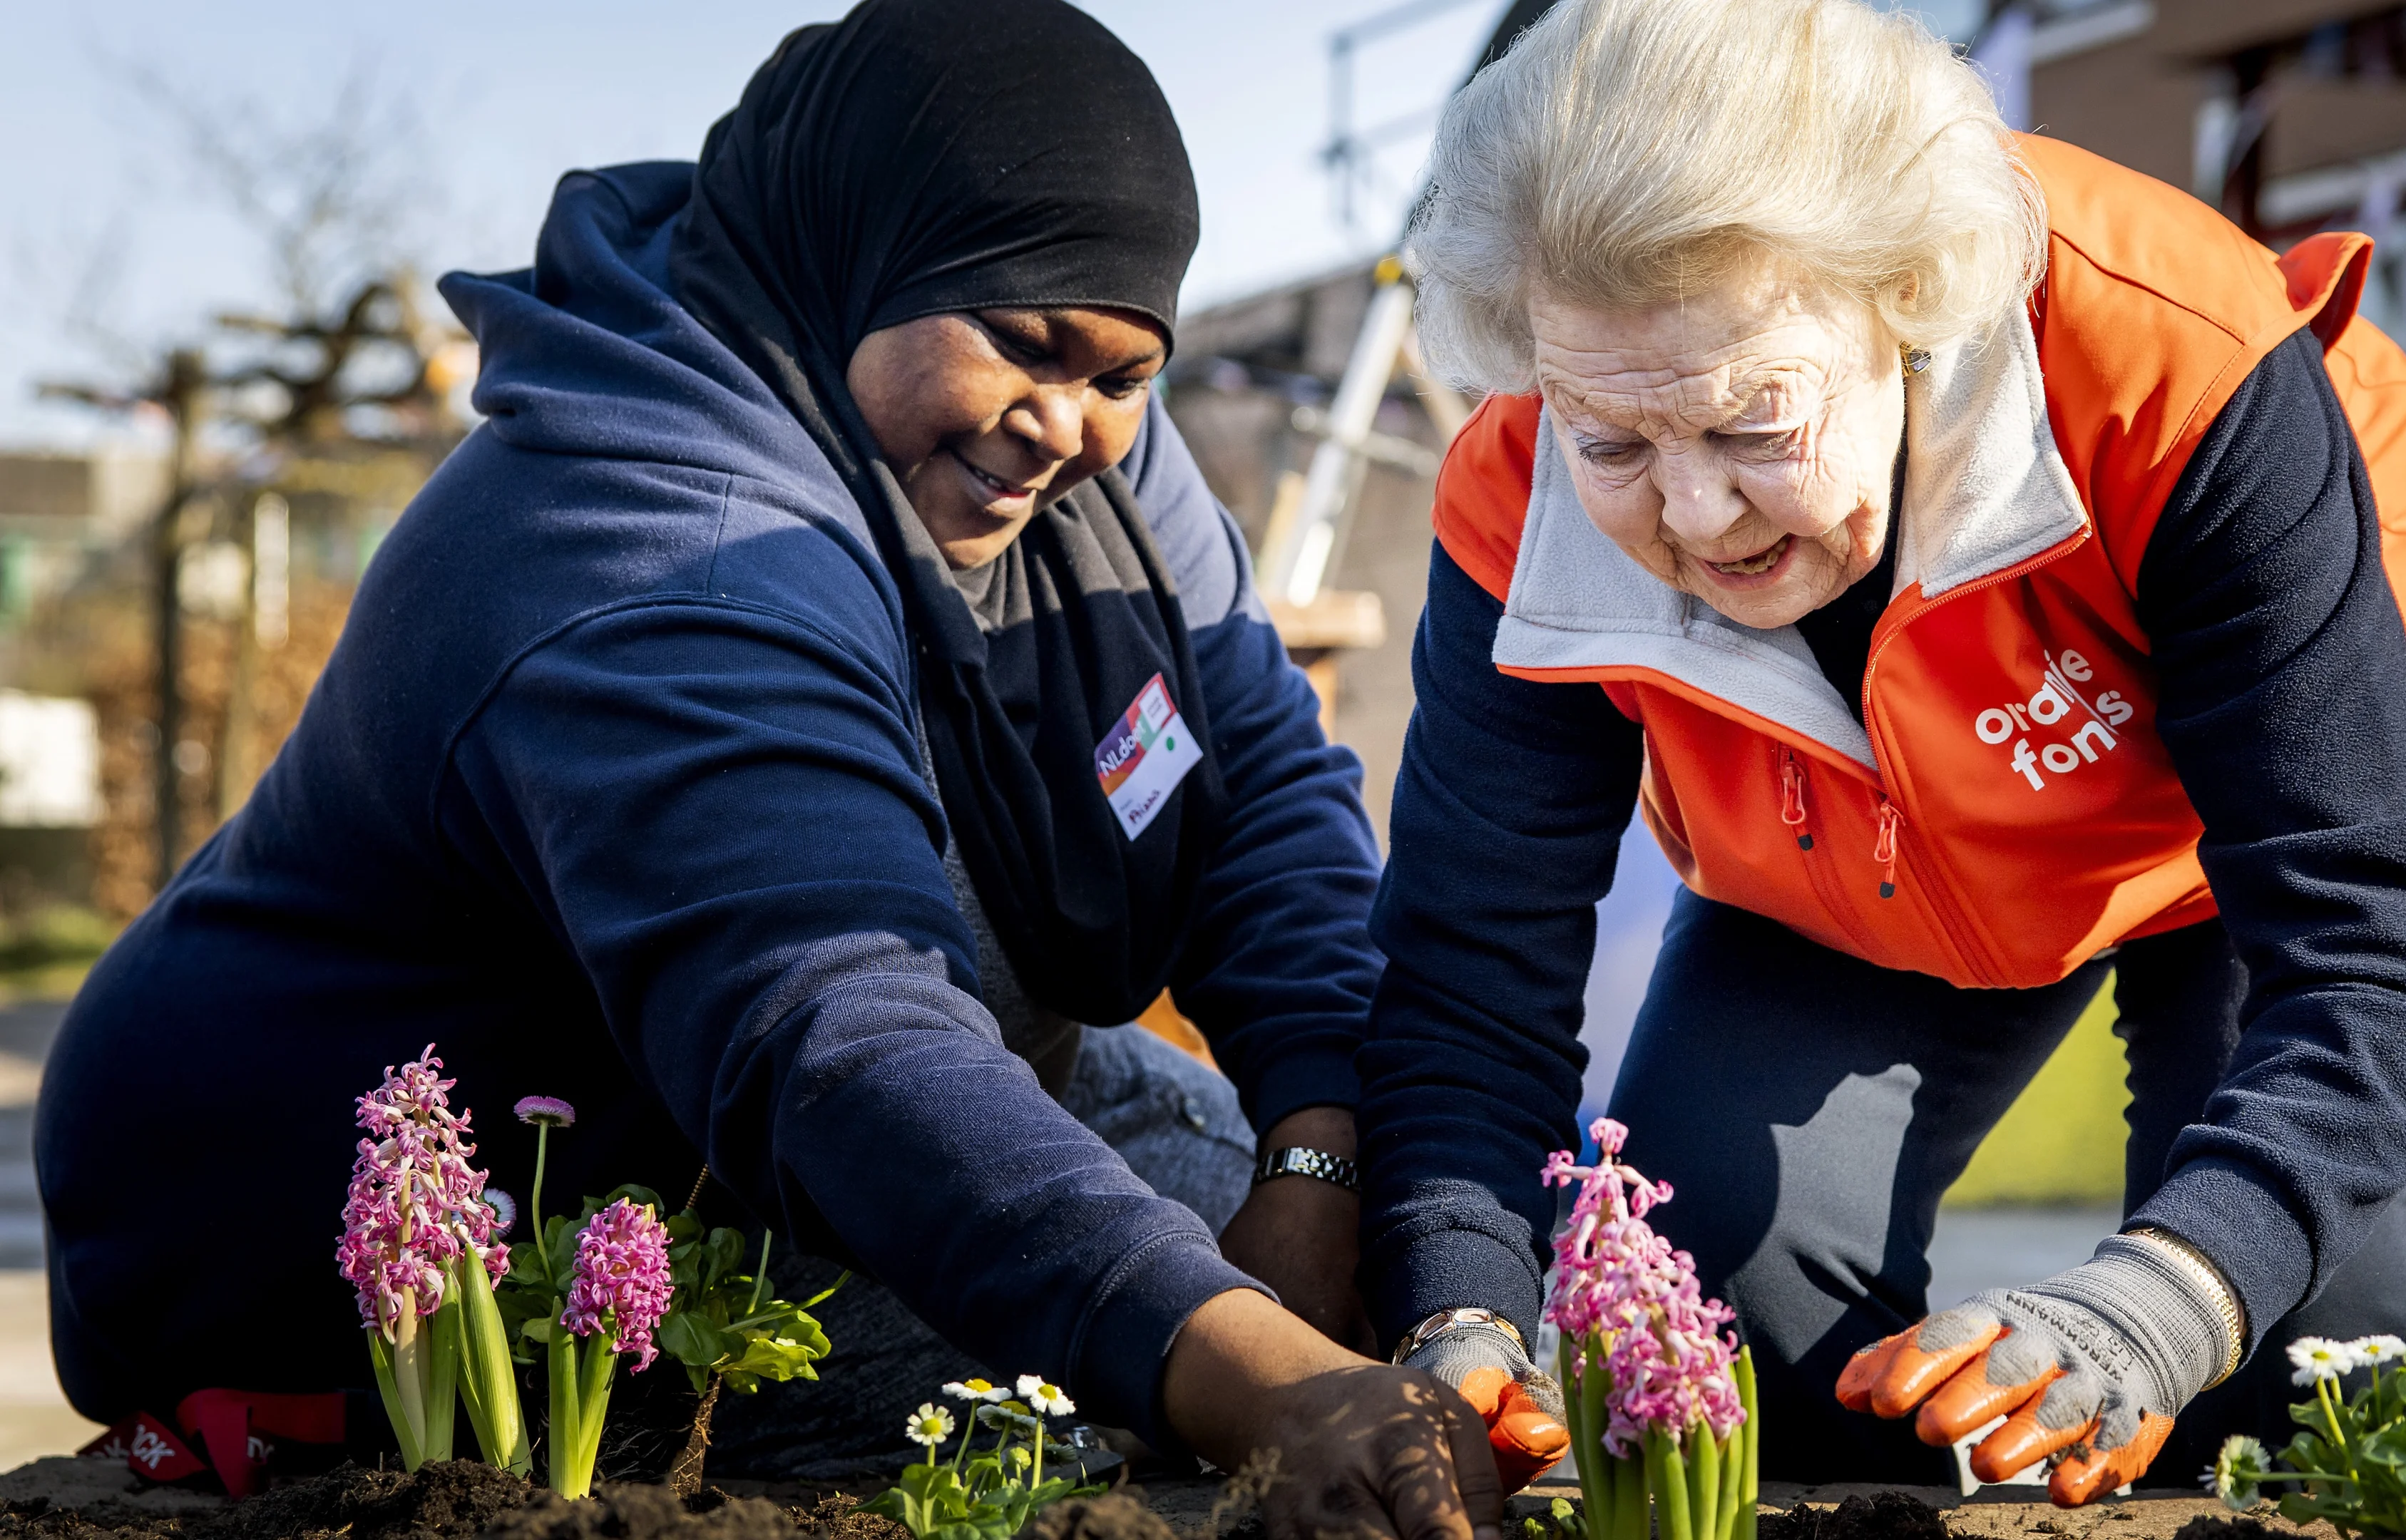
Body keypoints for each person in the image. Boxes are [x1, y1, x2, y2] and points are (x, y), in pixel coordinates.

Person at [39, 4, 1496, 1530]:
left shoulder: (1084, 452)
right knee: (1052, 1420)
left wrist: (1317, 1161)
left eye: (1124, 369)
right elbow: (844, 1041)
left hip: (815, 1121)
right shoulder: (657, 546)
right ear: (861, 251)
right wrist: (1268, 1386)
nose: (1067, 425)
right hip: (423, 1221)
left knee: (1380, 1266)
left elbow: (1254, 773)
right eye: (1022, 343)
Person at [1358, 0, 2406, 1504]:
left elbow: (2359, 945)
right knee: (1715, 1341)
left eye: (1756, 425)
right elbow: (1465, 970)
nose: (1692, 522)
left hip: (2312, 801)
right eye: (1614, 444)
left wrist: (2163, 1301)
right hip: (1879, 836)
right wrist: (1459, 1306)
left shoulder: (2174, 360)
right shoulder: (1518, 491)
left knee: (2281, 1379)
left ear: (1908, 303)